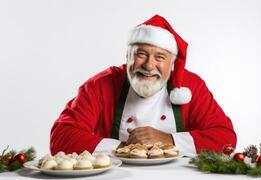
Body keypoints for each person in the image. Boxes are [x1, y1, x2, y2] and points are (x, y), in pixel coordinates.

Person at [50, 15, 237, 156]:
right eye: (141, 54)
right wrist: (126, 148)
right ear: (128, 56)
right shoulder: (100, 85)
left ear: (171, 62)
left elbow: (225, 138)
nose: (148, 65)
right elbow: (61, 136)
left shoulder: (191, 86)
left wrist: (168, 140)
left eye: (160, 57)